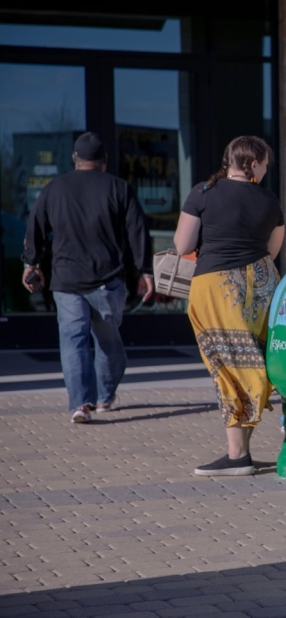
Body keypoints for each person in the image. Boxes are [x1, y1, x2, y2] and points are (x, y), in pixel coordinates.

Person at [22, 131, 154, 424]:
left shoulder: (53, 189)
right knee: (108, 342)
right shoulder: (119, 188)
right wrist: (145, 271)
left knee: (73, 341)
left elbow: (36, 230)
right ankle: (104, 397)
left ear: (75, 160)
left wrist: (32, 264)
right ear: (104, 161)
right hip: (107, 280)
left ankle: (81, 404)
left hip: (66, 280)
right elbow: (138, 232)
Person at [174, 136, 285, 476]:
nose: (266, 171)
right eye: (265, 164)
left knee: (227, 366)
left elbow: (182, 245)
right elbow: (274, 249)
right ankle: (242, 452)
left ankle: (237, 455)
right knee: (255, 362)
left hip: (217, 288)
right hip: (262, 285)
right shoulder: (269, 200)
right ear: (252, 163)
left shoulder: (203, 193)